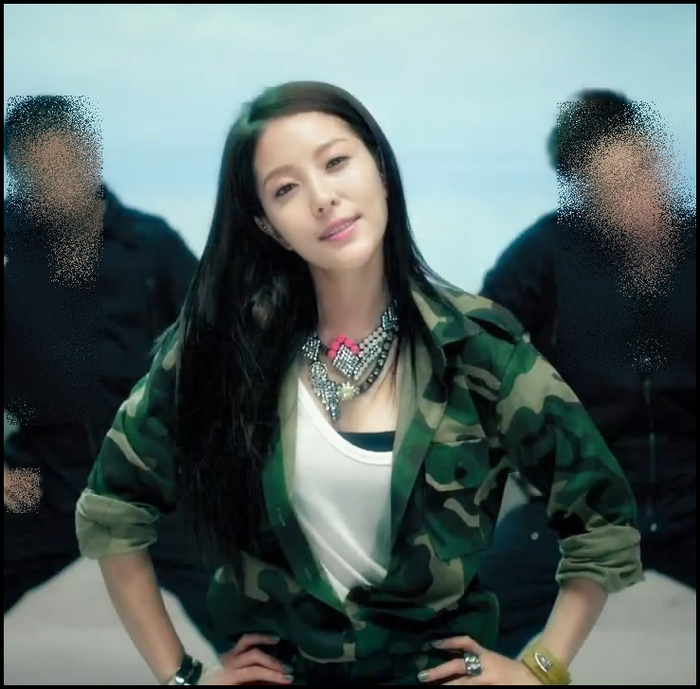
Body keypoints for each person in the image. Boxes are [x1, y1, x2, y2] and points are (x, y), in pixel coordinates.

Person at [75, 81, 643, 686]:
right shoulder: (219, 351)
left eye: (336, 162)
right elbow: (113, 509)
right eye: (286, 189)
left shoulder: (476, 346)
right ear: (268, 224)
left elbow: (601, 514)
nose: (323, 198)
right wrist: (182, 678)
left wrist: (541, 670)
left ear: (381, 170)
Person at [3, 95, 228, 656]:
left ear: (88, 155)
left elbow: (215, 345)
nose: (56, 179)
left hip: (151, 471)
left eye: (64, 160)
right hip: (41, 471)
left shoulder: (150, 243)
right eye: (36, 168)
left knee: (234, 612)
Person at [478, 88, 696, 659]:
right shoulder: (544, 252)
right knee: (469, 617)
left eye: (640, 171)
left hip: (690, 493)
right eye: (609, 187)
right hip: (585, 503)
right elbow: (473, 353)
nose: (636, 196)